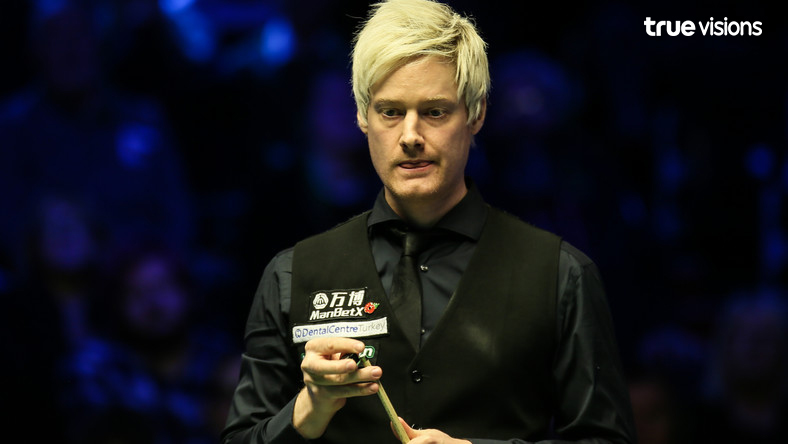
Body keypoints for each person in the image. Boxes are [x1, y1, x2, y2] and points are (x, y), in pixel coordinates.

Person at [222, 1, 635, 443]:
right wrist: (308, 409)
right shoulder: (291, 274)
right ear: (361, 116)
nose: (410, 136)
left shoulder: (560, 274)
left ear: (476, 113)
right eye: (390, 112)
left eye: (435, 112)